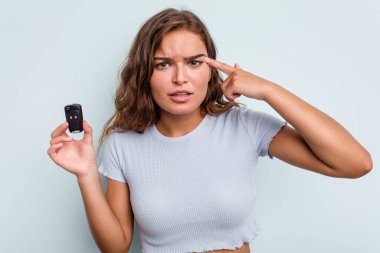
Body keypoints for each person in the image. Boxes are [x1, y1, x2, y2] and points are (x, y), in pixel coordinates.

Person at [47, 8, 372, 253]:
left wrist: (270, 91)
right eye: (163, 64)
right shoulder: (123, 144)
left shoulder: (245, 127)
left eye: (193, 62)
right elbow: (116, 246)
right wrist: (87, 175)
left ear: (212, 70)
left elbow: (355, 163)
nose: (180, 78)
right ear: (144, 74)